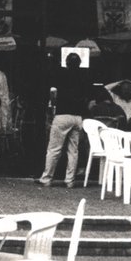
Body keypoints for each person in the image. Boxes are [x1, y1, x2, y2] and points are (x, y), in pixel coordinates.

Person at [37, 51, 95, 188]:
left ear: (67, 63)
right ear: (79, 63)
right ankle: (70, 180)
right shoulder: (84, 76)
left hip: (62, 115)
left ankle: (47, 178)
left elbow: (53, 91)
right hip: (77, 117)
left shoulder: (61, 74)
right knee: (73, 150)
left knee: (54, 149)